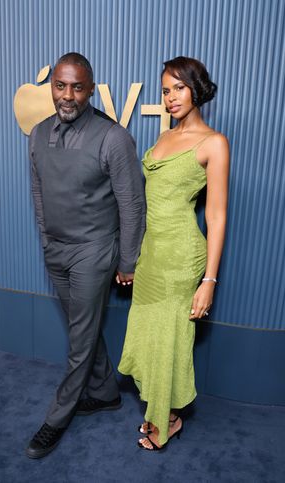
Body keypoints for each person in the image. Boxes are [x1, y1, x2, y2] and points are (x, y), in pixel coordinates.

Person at [26, 52, 145, 458]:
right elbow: (39, 192)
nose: (68, 95)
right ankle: (107, 393)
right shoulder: (39, 134)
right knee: (85, 328)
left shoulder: (113, 137)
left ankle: (56, 418)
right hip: (56, 249)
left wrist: (127, 261)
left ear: (91, 90)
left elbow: (131, 205)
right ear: (52, 87)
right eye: (61, 85)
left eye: (78, 87)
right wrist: (46, 237)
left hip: (94, 250)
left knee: (79, 339)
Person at [118, 56, 229, 451]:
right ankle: (162, 413)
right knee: (150, 337)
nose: (170, 97)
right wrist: (131, 256)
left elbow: (215, 216)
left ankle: (165, 423)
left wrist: (209, 281)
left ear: (196, 89)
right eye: (165, 90)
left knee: (169, 339)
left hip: (183, 257)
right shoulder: (163, 138)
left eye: (178, 88)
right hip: (151, 255)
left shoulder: (214, 143)